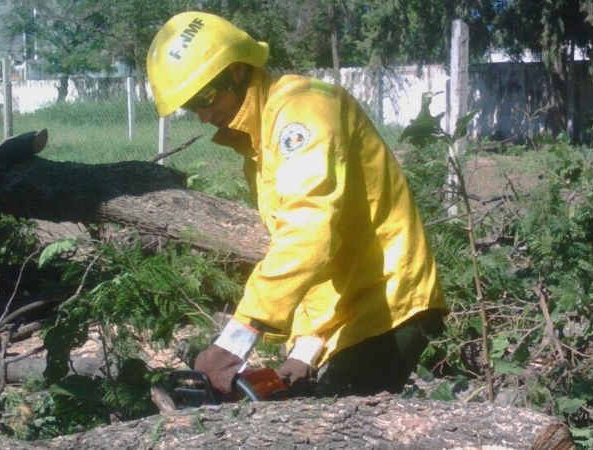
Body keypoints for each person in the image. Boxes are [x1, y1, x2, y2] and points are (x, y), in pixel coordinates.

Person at [146, 11, 447, 397]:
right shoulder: (260, 141)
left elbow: (310, 233)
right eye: (192, 106)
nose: (204, 115)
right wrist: (307, 345)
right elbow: (320, 259)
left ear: (236, 71)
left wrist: (233, 343)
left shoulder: (302, 112)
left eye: (205, 97)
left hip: (389, 305)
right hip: (346, 316)